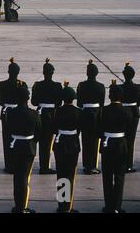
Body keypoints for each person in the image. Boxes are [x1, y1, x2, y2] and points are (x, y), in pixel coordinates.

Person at [7, 85, 41, 213]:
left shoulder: (11, 113)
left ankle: (18, 205)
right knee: (24, 178)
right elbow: (39, 132)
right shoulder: (33, 114)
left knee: (17, 177)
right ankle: (22, 207)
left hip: (15, 147)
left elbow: (9, 130)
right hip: (28, 148)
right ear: (28, 98)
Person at [100, 81, 132, 213]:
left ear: (110, 97)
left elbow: (99, 129)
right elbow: (130, 131)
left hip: (108, 144)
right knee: (119, 176)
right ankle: (117, 207)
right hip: (120, 145)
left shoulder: (104, 110)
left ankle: (109, 206)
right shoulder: (127, 111)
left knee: (107, 177)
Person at [53, 82, 81, 213]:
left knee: (61, 174)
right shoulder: (78, 112)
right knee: (70, 175)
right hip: (72, 144)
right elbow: (79, 129)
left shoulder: (57, 111)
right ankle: (67, 207)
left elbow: (54, 128)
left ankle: (61, 205)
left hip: (60, 143)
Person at [31, 58, 63, 174]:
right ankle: (44, 167)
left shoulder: (37, 85)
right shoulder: (57, 86)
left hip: (40, 114)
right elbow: (59, 103)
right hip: (51, 115)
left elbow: (34, 102)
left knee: (41, 141)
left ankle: (43, 166)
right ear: (52, 73)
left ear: (43, 73)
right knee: (47, 142)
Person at [0, 58, 28, 173]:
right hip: (19, 113)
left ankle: (8, 164)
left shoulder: (3, 85)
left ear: (8, 72)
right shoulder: (22, 84)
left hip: (6, 113)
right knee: (17, 138)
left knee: (7, 139)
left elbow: (0, 101)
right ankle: (16, 163)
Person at [77, 59, 105, 175]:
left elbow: (79, 103)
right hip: (96, 114)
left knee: (85, 140)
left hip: (85, 113)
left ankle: (86, 165)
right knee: (94, 141)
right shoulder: (100, 86)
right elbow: (102, 104)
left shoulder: (81, 85)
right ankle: (92, 165)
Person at [121, 62, 140, 173]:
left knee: (122, 138)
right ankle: (128, 164)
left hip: (123, 112)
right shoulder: (137, 88)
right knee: (131, 140)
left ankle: (121, 162)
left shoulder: (120, 88)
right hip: (133, 113)